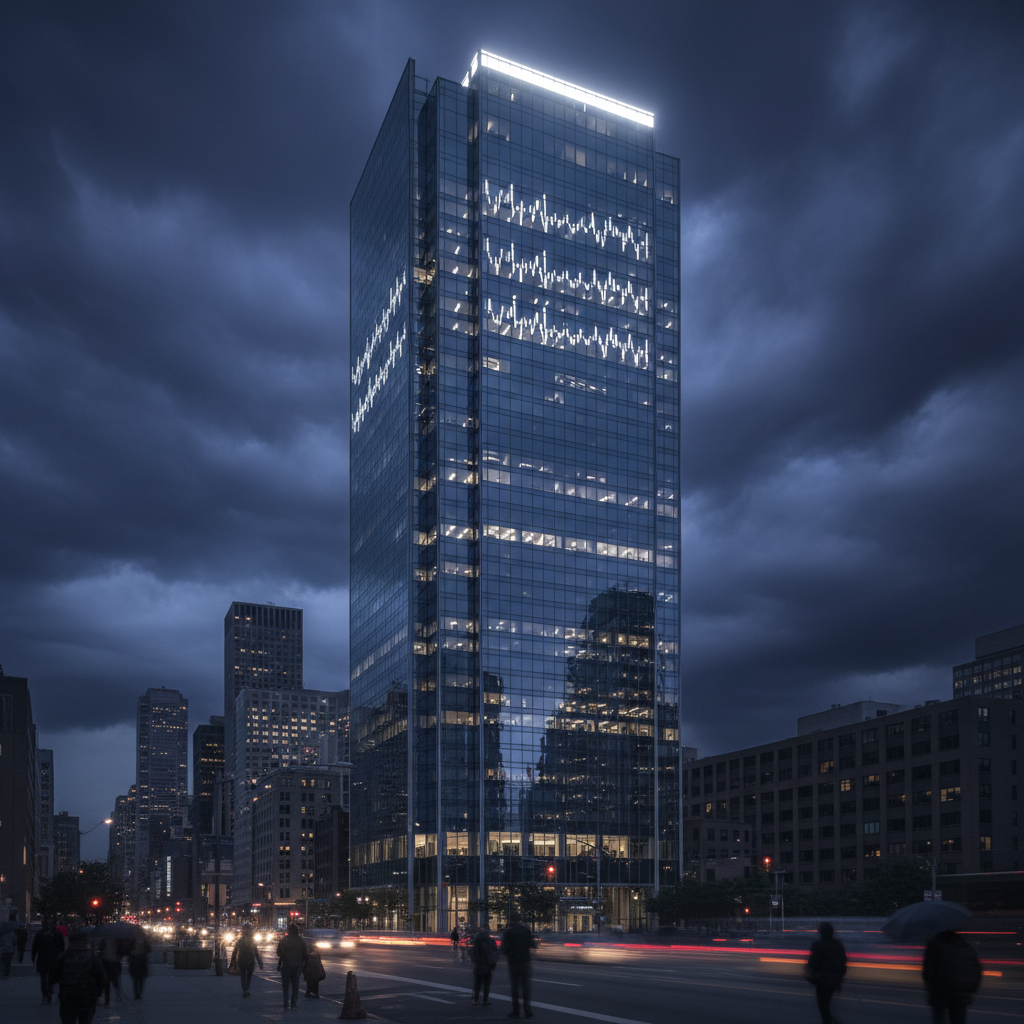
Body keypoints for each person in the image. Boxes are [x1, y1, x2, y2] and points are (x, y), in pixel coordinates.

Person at [47, 930, 106, 1024]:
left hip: (68, 996)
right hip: (87, 997)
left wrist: (51, 988)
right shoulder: (92, 957)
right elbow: (101, 976)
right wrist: (99, 993)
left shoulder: (64, 956)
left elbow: (53, 976)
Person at [923, 930, 982, 1024]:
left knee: (939, 1018)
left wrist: (930, 989)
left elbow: (928, 971)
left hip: (941, 991)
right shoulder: (964, 945)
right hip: (962, 991)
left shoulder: (935, 945)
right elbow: (977, 967)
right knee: (958, 1019)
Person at [806, 922, 847, 1024]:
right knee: (827, 1005)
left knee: (824, 1007)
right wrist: (840, 978)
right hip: (835, 980)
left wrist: (811, 972)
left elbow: (812, 963)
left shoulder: (818, 945)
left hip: (822, 981)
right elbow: (843, 962)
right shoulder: (838, 945)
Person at [501, 912, 537, 1020]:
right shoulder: (525, 930)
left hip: (514, 962)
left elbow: (504, 948)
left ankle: (516, 1011)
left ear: (511, 920)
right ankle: (527, 1010)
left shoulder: (509, 932)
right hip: (525, 961)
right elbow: (532, 944)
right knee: (526, 988)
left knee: (515, 988)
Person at [33, 919, 66, 1003]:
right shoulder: (57, 934)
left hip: (42, 958)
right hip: (54, 959)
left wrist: (33, 959)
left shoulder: (39, 934)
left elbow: (34, 948)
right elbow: (62, 947)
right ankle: (49, 992)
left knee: (43, 978)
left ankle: (45, 994)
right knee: (53, 977)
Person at [276, 923, 307, 1010]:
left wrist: (280, 964)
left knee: (285, 985)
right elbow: (305, 953)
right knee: (295, 985)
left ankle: (286, 1003)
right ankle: (293, 1003)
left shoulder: (284, 940)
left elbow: (279, 952)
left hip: (286, 964)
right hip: (297, 965)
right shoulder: (301, 940)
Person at [229, 922, 264, 997]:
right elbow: (256, 952)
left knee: (243, 975)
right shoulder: (252, 941)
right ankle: (247, 989)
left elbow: (235, 951)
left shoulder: (240, 940)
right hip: (250, 960)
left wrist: (232, 963)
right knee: (249, 976)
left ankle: (245, 989)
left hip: (242, 960)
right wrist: (260, 963)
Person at [470, 925, 499, 1006]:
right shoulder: (491, 941)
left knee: (478, 983)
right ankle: (485, 1000)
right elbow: (495, 952)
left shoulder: (477, 941)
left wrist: (474, 961)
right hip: (487, 965)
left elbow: (473, 953)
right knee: (486, 984)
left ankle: (476, 999)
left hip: (479, 965)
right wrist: (493, 962)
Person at [98, 938, 122, 1004]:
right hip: (106, 963)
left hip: (114, 963)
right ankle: (107, 999)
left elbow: (121, 952)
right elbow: (99, 951)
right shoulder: (103, 942)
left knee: (115, 981)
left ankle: (117, 996)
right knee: (107, 982)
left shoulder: (118, 943)